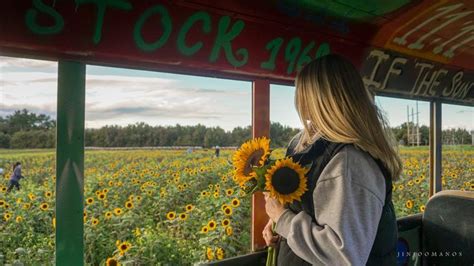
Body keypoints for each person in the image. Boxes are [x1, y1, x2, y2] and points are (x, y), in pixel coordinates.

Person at [263, 54, 401, 266]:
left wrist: (284, 220)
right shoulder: (305, 144)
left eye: (302, 93)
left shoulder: (350, 162)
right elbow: (307, 211)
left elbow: (344, 256)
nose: (298, 102)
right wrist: (277, 224)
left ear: (318, 99)